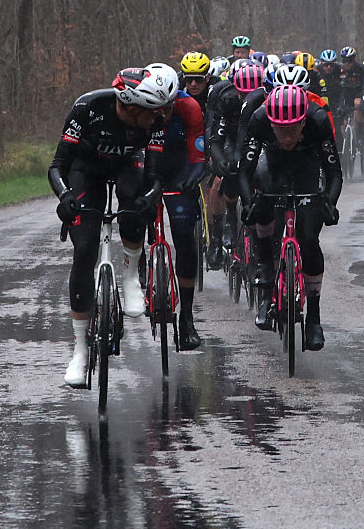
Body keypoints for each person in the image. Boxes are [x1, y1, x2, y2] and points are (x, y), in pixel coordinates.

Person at [48, 64, 177, 386]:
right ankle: (79, 350)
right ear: (132, 109)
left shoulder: (155, 121)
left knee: (133, 199)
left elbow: (155, 174)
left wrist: (151, 196)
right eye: (153, 111)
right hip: (84, 170)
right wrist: (64, 197)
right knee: (85, 248)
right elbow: (57, 165)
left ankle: (131, 274)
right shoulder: (88, 107)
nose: (159, 117)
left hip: (128, 166)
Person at [239, 85, 342, 351]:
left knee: (309, 238)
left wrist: (329, 203)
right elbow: (245, 171)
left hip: (308, 165)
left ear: (303, 122)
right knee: (262, 208)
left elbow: (334, 174)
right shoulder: (260, 119)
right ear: (271, 123)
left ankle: (314, 319)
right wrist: (249, 202)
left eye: (292, 131)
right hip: (272, 165)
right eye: (280, 131)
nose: (286, 137)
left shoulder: (318, 119)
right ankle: (265, 277)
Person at [156, 88, 207, 350]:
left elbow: (198, 153)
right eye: (158, 109)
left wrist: (195, 173)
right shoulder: (137, 109)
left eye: (168, 108)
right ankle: (141, 263)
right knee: (136, 212)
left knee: (185, 237)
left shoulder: (189, 107)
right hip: (147, 168)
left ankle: (186, 318)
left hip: (179, 171)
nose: (163, 114)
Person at [203, 63, 265, 266]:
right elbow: (215, 135)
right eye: (243, 95)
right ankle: (219, 235)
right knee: (219, 182)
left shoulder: (268, 101)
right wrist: (219, 160)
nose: (248, 100)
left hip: (257, 140)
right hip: (231, 140)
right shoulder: (226, 98)